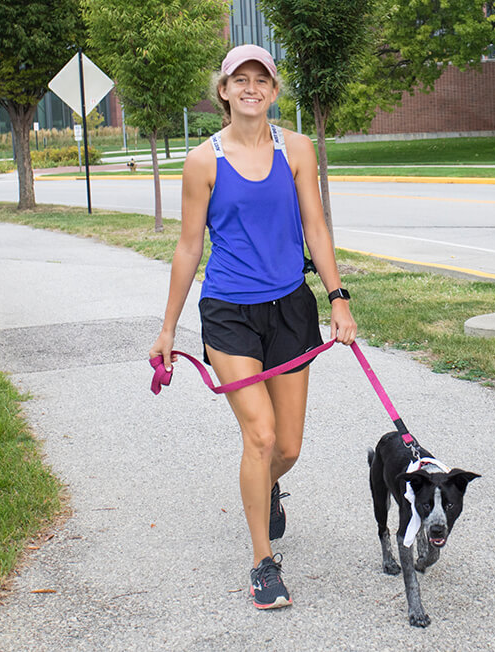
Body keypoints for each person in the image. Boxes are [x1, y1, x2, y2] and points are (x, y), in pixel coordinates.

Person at [149, 45, 356, 610]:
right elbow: (189, 245)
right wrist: (168, 329)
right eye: (239, 79)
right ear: (223, 90)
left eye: (260, 80)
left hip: (291, 308)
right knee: (260, 435)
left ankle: (264, 486)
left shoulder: (298, 149)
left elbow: (316, 224)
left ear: (272, 91)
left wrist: (338, 298)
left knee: (288, 445)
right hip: (228, 313)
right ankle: (263, 563)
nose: (250, 88)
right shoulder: (203, 161)